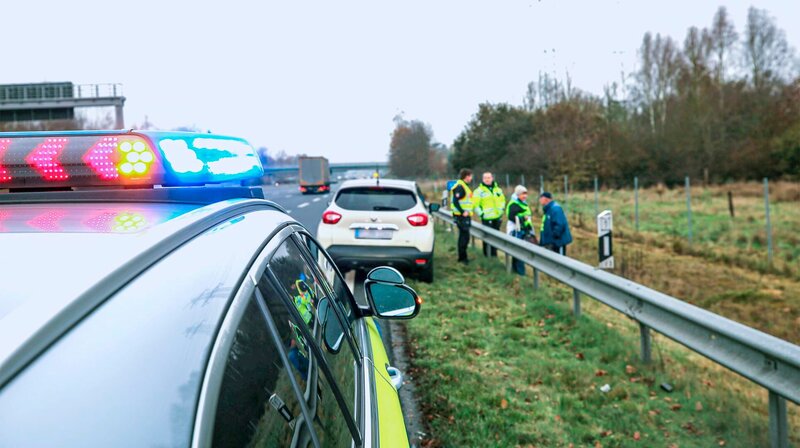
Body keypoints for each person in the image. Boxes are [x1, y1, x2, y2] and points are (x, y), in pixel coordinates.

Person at [473, 172, 506, 257]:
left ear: (492, 178)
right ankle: (487, 255)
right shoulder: (479, 191)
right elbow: (475, 204)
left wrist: (501, 210)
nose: (487, 179)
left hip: (497, 218)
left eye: (489, 177)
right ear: (483, 179)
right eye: (485, 178)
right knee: (487, 238)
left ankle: (494, 256)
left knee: (496, 239)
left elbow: (502, 201)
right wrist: (482, 214)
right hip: (487, 219)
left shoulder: (498, 190)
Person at [506, 185, 536, 275]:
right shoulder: (514, 204)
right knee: (520, 252)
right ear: (518, 194)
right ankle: (520, 272)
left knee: (518, 251)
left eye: (526, 194)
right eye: (523, 194)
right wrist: (523, 218)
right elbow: (511, 217)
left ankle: (515, 271)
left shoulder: (522, 203)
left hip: (524, 230)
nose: (525, 196)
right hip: (517, 231)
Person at [449, 168, 474, 264]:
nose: (471, 178)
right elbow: (455, 201)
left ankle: (462, 257)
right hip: (462, 216)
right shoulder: (461, 187)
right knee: (464, 237)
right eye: (470, 176)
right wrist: (463, 211)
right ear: (467, 176)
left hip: (462, 216)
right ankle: (462, 259)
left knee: (464, 236)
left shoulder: (463, 186)